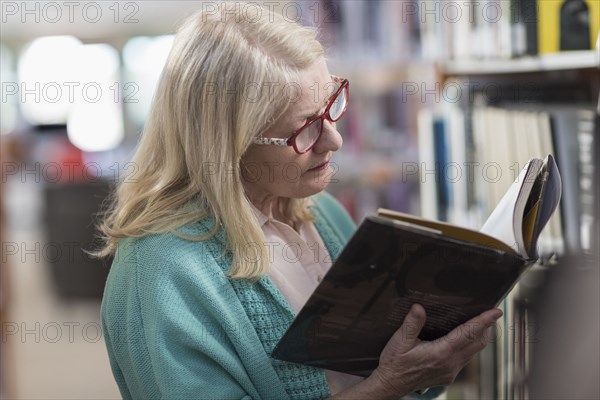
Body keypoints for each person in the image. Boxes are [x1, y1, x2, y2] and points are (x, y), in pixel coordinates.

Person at [95, 3, 503, 399]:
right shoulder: (160, 269)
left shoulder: (320, 211)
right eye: (305, 129)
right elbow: (382, 381)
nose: (335, 140)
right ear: (227, 145)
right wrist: (389, 386)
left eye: (332, 105)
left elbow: (373, 361)